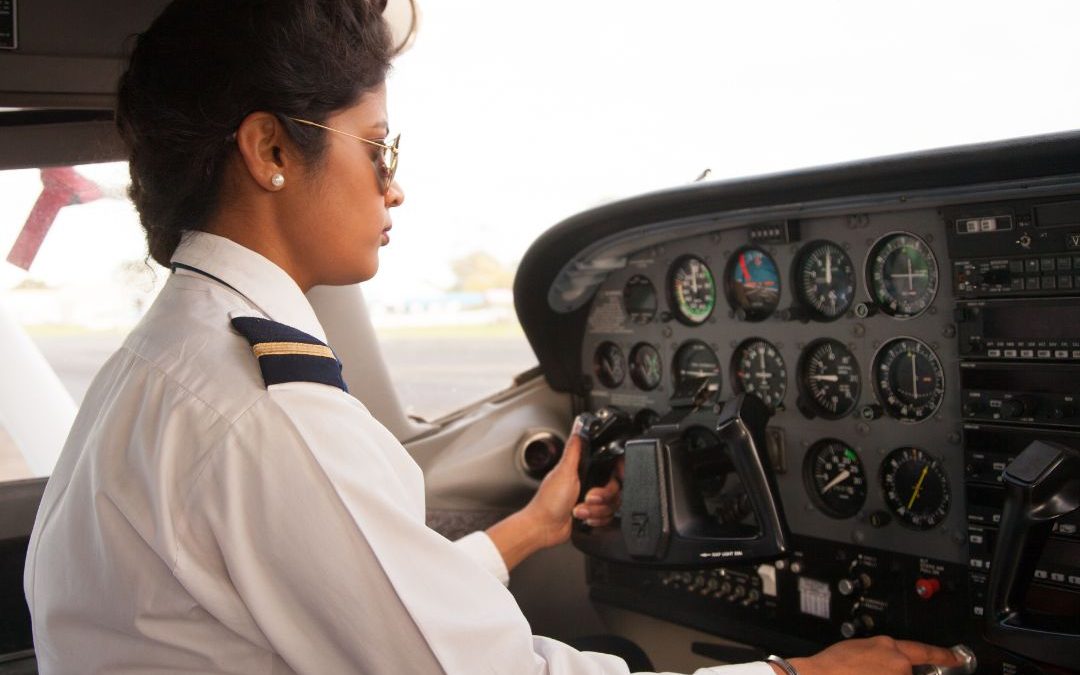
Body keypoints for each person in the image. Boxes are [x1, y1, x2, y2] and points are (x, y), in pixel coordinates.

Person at [23, 1, 964, 673]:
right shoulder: (267, 411)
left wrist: (528, 529)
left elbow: (363, 592)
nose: (394, 187)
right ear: (271, 151)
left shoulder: (160, 360)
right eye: (378, 146)